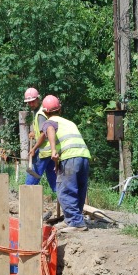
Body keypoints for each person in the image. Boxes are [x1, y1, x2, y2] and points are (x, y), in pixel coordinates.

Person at [41, 95, 91, 233]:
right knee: (79, 189)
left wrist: (53, 151)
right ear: (60, 109)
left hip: (70, 157)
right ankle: (72, 219)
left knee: (65, 190)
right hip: (84, 156)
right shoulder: (69, 122)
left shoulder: (49, 122)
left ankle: (75, 222)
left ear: (45, 112)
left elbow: (50, 130)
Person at [23, 88, 56, 193]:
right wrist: (34, 133)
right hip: (51, 150)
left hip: (44, 151)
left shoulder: (40, 113)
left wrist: (33, 148)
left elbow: (43, 134)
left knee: (33, 173)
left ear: (38, 99)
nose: (31, 104)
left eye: (33, 101)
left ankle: (27, 194)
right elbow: (41, 131)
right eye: (29, 102)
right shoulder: (41, 111)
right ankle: (61, 198)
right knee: (52, 175)